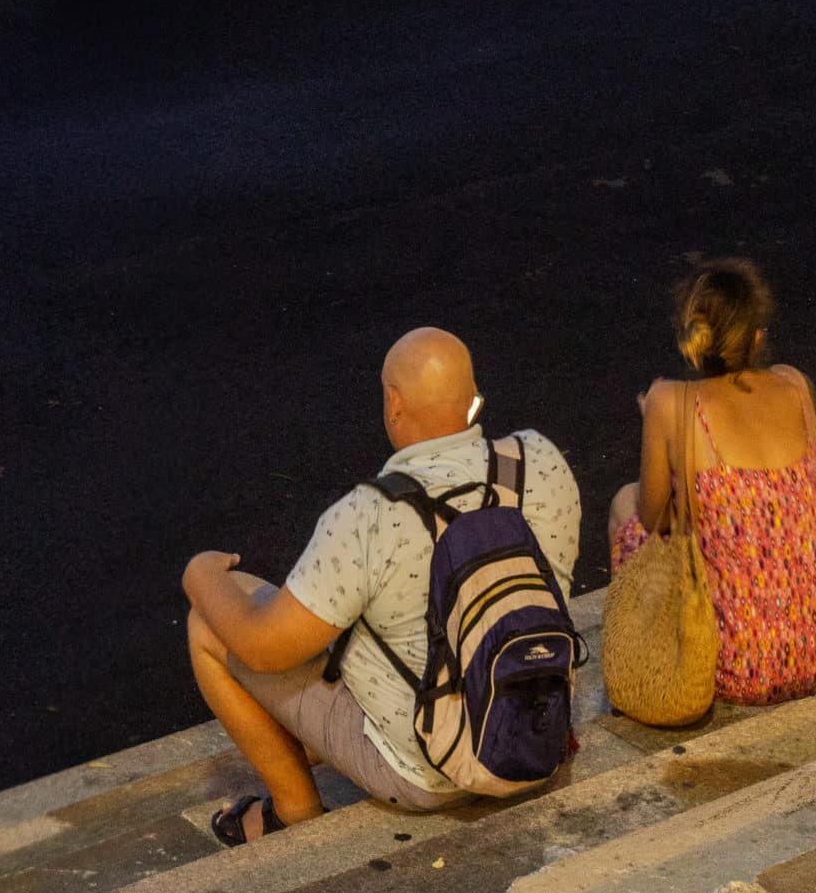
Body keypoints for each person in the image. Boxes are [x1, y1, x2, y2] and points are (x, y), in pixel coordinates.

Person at [181, 327, 581, 845]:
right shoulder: (542, 461)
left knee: (210, 625)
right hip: (536, 740)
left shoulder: (369, 516)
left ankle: (294, 808)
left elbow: (262, 649)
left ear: (394, 403)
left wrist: (200, 575)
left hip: (426, 773)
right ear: (473, 396)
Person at [608, 260, 816, 705]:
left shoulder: (670, 402)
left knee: (623, 504)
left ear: (691, 340)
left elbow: (654, 519)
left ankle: (641, 653)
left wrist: (655, 420)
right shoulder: (795, 383)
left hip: (739, 663)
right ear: (757, 336)